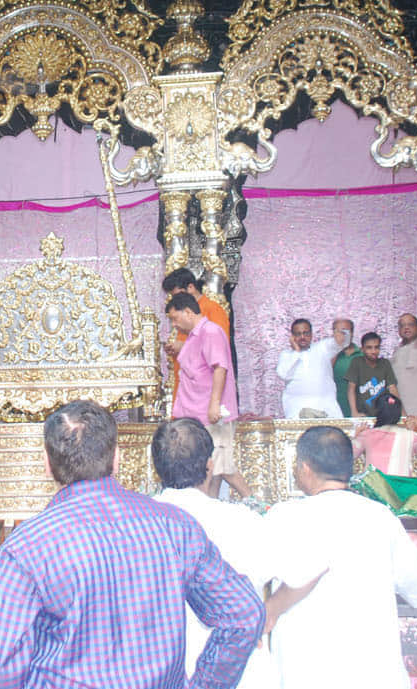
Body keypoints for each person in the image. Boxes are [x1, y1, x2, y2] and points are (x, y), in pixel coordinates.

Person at [0, 400, 264, 689]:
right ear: (117, 459)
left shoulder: (26, 548)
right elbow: (244, 614)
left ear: (46, 464)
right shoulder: (174, 526)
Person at [262, 427, 417, 689]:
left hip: (303, 672)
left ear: (304, 468)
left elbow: (252, 576)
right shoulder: (380, 516)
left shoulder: (283, 516)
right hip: (373, 673)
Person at [151, 419, 277, 689]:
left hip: (161, 670)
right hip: (241, 671)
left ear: (157, 467)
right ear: (210, 464)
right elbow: (300, 570)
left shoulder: (137, 525)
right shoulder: (243, 521)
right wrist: (244, 490)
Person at [165, 292, 252, 499]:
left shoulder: (211, 332)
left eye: (175, 318)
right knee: (213, 469)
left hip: (212, 413)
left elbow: (219, 368)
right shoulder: (194, 336)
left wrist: (214, 405)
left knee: (223, 466)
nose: (174, 325)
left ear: (188, 312)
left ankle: (256, 503)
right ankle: (211, 505)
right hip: (198, 413)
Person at [161, 268, 230, 404]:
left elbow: (219, 351)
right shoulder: (183, 313)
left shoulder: (213, 309)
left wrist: (183, 346)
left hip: (205, 393)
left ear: (191, 287)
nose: (176, 300)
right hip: (186, 388)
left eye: (177, 295)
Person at [275, 318, 341, 419]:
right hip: (297, 409)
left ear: (311, 334)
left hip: (325, 407)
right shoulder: (286, 355)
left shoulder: (322, 348)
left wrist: (342, 330)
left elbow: (343, 342)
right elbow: (283, 374)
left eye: (306, 333)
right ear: (292, 337)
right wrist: (296, 352)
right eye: (298, 334)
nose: (302, 337)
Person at [352, 396, 417, 476]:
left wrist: (356, 436)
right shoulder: (411, 435)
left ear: (377, 412)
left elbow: (350, 455)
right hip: (400, 487)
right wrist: (416, 432)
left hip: (374, 486)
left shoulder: (367, 434)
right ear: (399, 414)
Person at [344, 332, 397, 417]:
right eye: (369, 348)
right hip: (364, 414)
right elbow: (351, 388)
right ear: (362, 349)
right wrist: (354, 412)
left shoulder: (385, 363)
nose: (373, 351)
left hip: (383, 414)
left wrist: (398, 411)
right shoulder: (357, 362)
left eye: (376, 347)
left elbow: (392, 388)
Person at [329, 318, 360, 417]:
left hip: (357, 410)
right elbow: (323, 375)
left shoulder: (362, 354)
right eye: (338, 331)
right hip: (333, 410)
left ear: (352, 333)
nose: (342, 335)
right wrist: (336, 350)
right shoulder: (326, 355)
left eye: (345, 331)